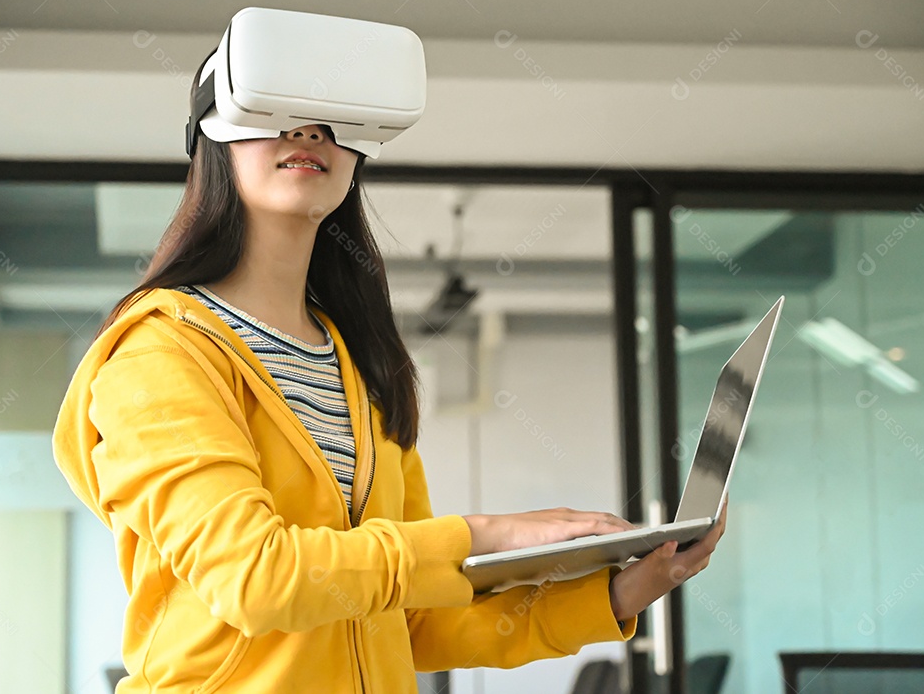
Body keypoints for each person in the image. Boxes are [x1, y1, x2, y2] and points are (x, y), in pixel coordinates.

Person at [52, 51, 726, 694]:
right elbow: (254, 576)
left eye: (330, 117)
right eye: (272, 109)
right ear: (211, 136)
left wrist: (618, 593)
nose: (308, 131)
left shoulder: (360, 362)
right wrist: (490, 534)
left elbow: (415, 619)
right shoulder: (158, 353)